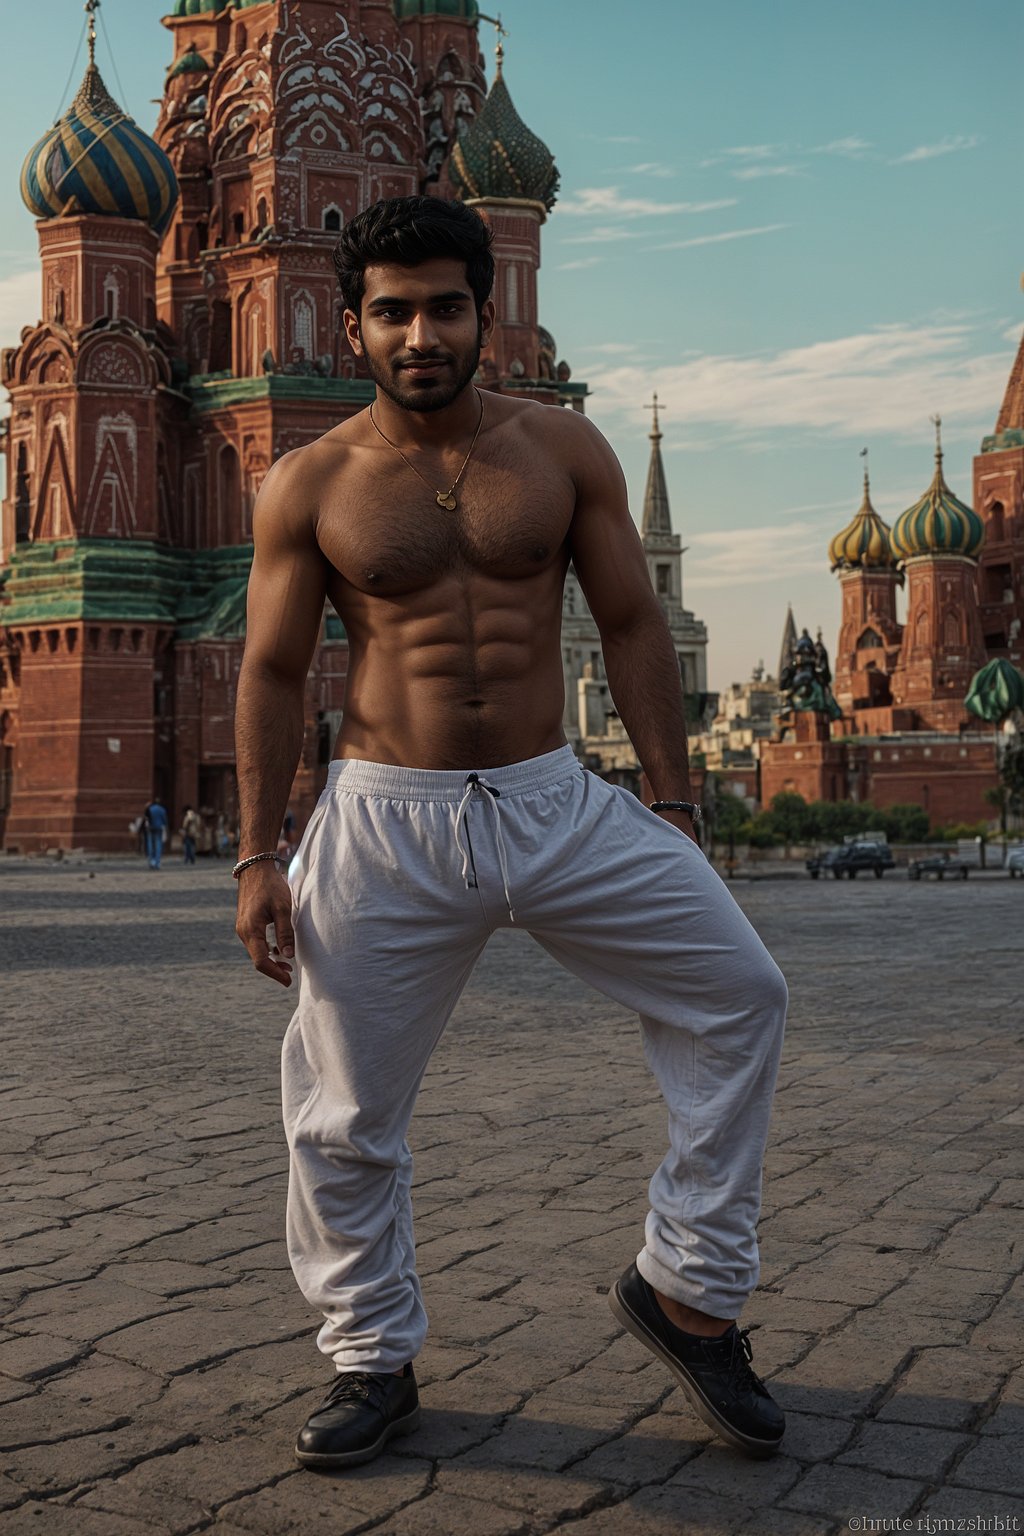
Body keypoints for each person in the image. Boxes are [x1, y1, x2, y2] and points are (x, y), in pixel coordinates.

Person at [234, 196, 788, 1472]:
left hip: (556, 800)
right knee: (342, 1110)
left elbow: (635, 623)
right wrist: (262, 854)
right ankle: (372, 1358)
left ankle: (689, 1292)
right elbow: (271, 673)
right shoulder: (310, 482)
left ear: (487, 312)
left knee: (738, 993)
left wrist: (673, 800)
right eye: (390, 311)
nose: (418, 333)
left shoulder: (564, 449)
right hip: (385, 815)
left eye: (443, 306)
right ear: (353, 327)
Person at [142, 796, 168, 870]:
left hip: (150, 827)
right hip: (159, 827)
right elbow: (164, 820)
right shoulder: (162, 810)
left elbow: (146, 817)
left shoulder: (150, 809)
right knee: (158, 844)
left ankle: (151, 861)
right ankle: (157, 861)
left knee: (150, 843)